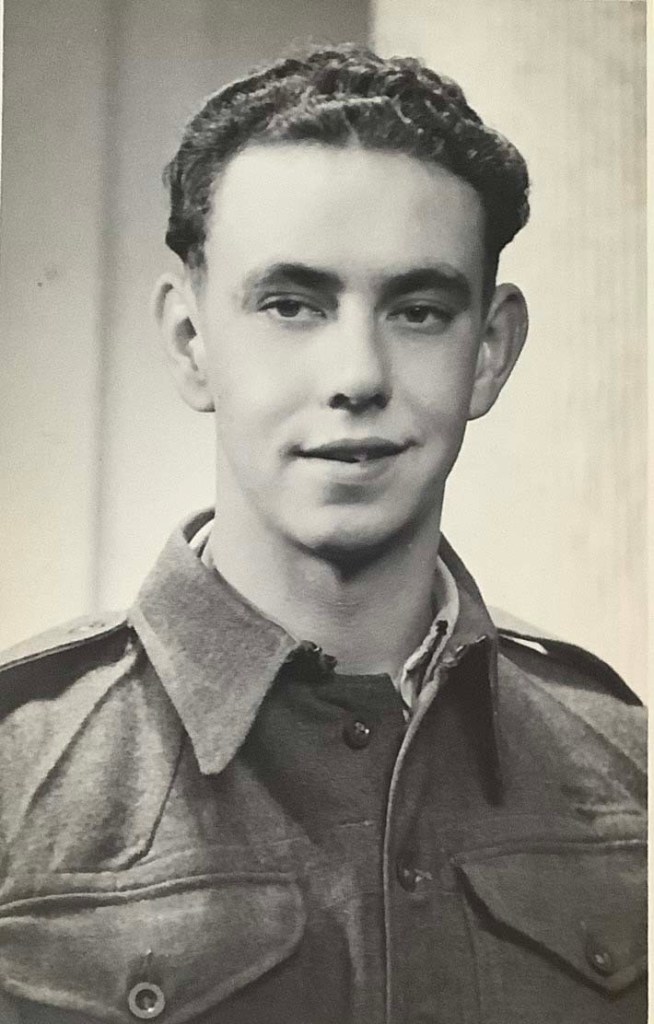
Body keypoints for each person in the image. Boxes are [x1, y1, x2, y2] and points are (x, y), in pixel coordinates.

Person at [0, 44, 645, 1024]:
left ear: (489, 351)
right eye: (291, 305)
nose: (357, 375)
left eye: (419, 311)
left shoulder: (628, 769)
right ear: (191, 342)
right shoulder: (17, 770)